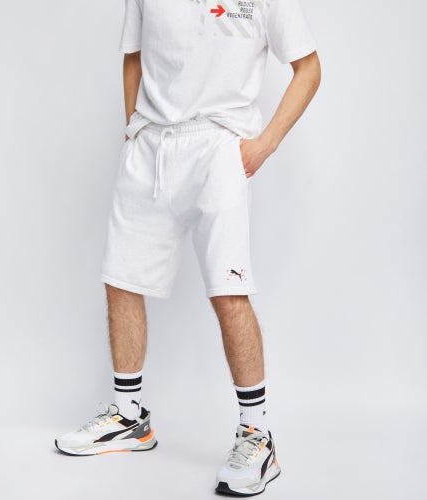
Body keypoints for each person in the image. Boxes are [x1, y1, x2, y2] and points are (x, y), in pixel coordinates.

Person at [56, 0, 321, 496]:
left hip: (218, 145)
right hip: (150, 144)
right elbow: (133, 54)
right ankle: (129, 418)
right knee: (122, 279)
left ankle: (257, 435)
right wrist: (132, 128)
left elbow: (308, 68)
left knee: (228, 291)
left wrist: (264, 145)